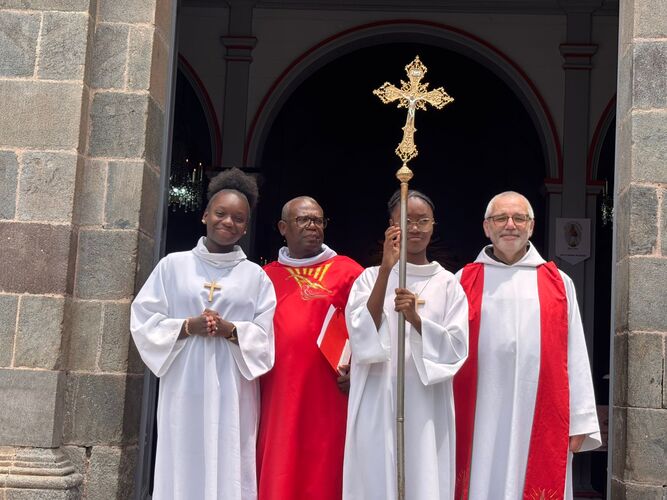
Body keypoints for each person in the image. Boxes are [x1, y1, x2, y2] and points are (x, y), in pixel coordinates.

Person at [130, 168, 276, 500]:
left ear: (246, 226)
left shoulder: (255, 277)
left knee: (229, 453)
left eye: (238, 218)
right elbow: (143, 319)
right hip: (185, 383)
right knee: (184, 454)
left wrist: (230, 330)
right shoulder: (173, 266)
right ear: (205, 215)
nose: (228, 222)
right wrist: (187, 326)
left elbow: (266, 338)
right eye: (221, 213)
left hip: (233, 388)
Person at [453, 191, 601, 500]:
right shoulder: (463, 280)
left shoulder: (559, 283)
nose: (510, 225)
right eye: (500, 218)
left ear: (531, 227)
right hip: (479, 413)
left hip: (538, 412)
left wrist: (580, 419)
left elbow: (575, 352)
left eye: (519, 218)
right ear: (486, 227)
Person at [343, 190, 469, 500]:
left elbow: (456, 348)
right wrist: (386, 269)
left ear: (433, 225)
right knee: (375, 475)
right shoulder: (369, 278)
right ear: (391, 225)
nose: (414, 228)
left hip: (426, 403)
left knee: (422, 475)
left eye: (423, 221)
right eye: (406, 220)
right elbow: (360, 332)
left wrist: (417, 320)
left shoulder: (448, 284)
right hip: (378, 394)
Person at [257, 196, 363, 500]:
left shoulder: (349, 272)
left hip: (329, 393)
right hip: (278, 393)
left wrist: (359, 368)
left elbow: (373, 326)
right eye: (303, 220)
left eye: (318, 220)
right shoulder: (264, 277)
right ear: (283, 227)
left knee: (326, 468)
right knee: (282, 463)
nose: (313, 226)